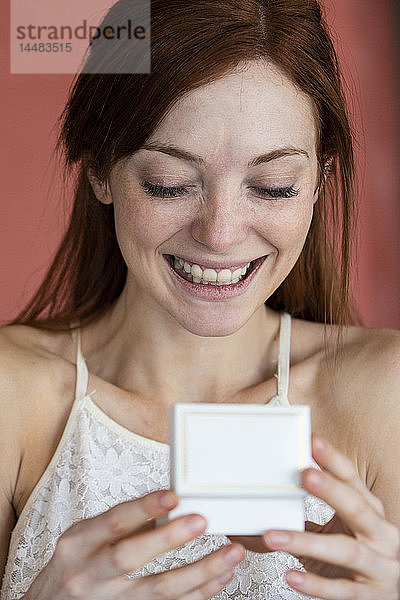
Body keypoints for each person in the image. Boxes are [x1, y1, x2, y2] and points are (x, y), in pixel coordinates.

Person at [1, 0, 399, 598]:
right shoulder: (13, 395)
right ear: (102, 171)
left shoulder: (384, 395)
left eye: (272, 187)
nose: (220, 233)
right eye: (170, 184)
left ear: (318, 181)